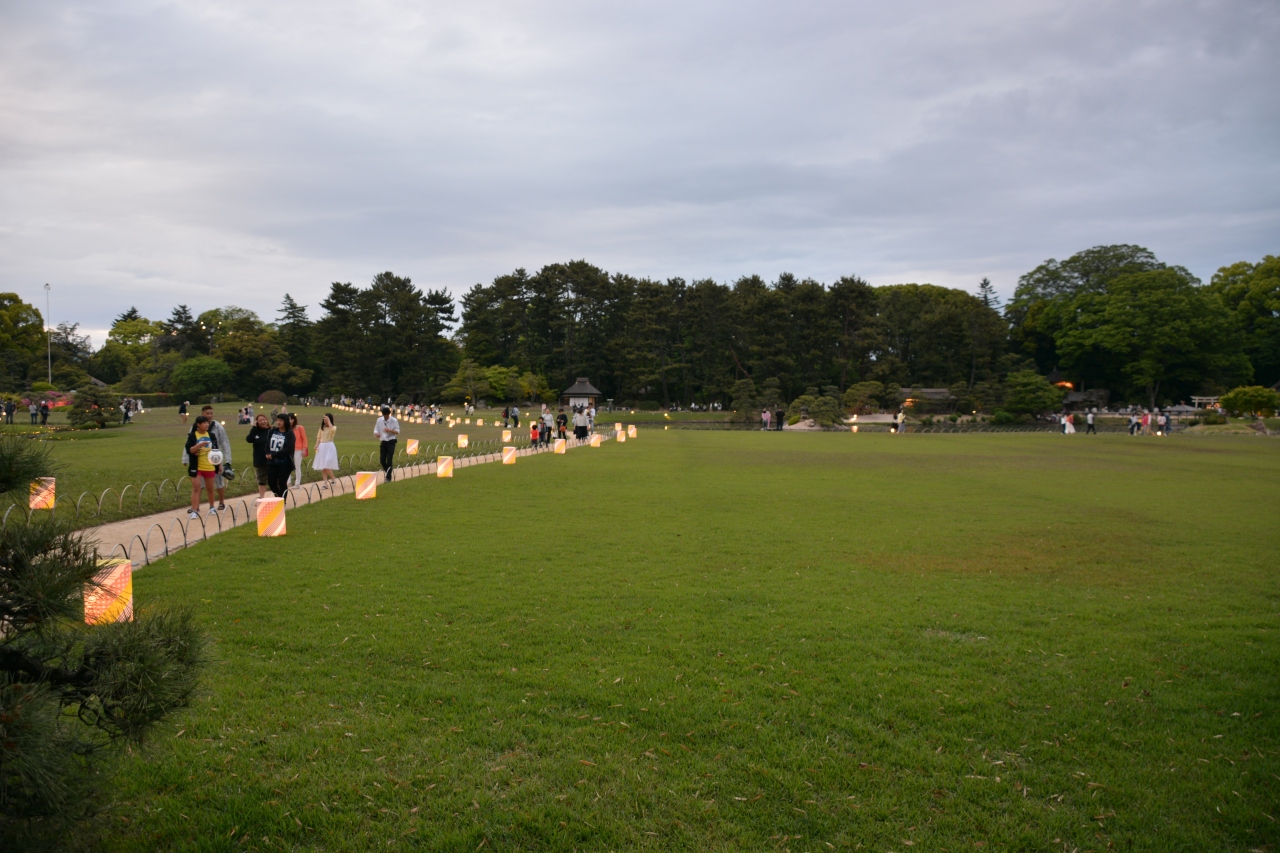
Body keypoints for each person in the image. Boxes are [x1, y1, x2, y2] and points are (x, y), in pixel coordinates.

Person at [183, 404, 233, 510]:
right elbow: (188, 444)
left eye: (211, 413)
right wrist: (185, 458)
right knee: (199, 485)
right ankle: (196, 506)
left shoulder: (217, 426)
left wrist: (227, 460)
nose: (210, 415)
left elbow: (225, 443)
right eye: (207, 413)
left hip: (214, 458)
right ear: (202, 414)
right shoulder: (195, 427)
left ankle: (221, 502)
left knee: (218, 482)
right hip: (199, 460)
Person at [184, 415, 220, 519]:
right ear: (198, 425)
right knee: (196, 488)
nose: (207, 424)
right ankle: (194, 510)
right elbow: (189, 450)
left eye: (207, 423)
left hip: (209, 466)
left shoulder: (211, 435)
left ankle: (212, 507)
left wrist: (219, 465)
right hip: (197, 466)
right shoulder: (192, 436)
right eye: (204, 423)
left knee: (210, 488)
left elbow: (216, 451)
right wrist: (200, 445)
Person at [246, 413, 273, 499]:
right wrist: (254, 428)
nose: (263, 422)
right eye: (260, 420)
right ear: (257, 422)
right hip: (260, 459)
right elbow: (249, 439)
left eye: (264, 420)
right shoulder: (256, 432)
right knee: (261, 480)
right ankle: (262, 498)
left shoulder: (272, 430)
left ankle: (278, 496)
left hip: (272, 459)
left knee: (273, 480)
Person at [312, 413, 339, 488]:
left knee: (327, 464)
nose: (325, 421)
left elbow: (332, 430)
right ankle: (325, 483)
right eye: (324, 420)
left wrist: (328, 421)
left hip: (329, 446)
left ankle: (332, 477)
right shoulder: (321, 428)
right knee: (323, 466)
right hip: (322, 447)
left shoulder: (333, 427)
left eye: (326, 420)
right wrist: (317, 445)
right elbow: (319, 437)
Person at [373, 405, 399, 482]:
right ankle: (388, 472)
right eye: (384, 415)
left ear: (389, 414)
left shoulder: (394, 420)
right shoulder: (379, 420)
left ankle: (388, 477)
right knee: (382, 460)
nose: (386, 417)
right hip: (383, 441)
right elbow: (376, 429)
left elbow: (397, 431)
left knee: (389, 459)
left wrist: (390, 430)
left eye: (387, 415)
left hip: (391, 441)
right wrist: (376, 434)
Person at [289, 413, 308, 487]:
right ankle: (288, 482)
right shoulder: (287, 429)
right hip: (289, 450)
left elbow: (304, 439)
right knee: (288, 466)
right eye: (289, 419)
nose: (290, 421)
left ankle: (297, 483)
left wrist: (304, 448)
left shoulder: (300, 428)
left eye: (291, 419)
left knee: (297, 466)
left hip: (298, 449)